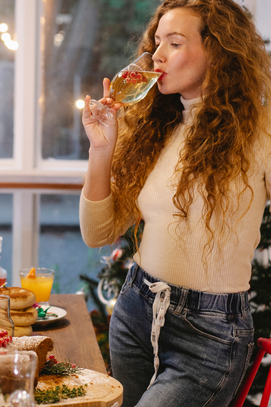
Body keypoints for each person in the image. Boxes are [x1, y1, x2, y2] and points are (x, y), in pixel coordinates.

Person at [79, 0, 271, 406]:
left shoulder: (261, 133)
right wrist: (101, 151)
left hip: (210, 337)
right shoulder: (155, 125)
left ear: (217, 50)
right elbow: (97, 233)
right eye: (156, 42)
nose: (157, 55)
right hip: (136, 310)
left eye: (175, 43)